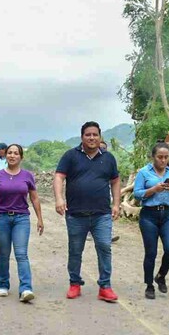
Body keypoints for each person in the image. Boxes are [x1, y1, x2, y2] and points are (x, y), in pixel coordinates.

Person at [53, 121, 121, 302]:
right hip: (76, 214)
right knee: (75, 250)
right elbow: (59, 176)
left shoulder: (108, 158)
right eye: (88, 135)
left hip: (102, 214)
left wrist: (116, 204)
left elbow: (115, 181)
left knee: (105, 248)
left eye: (95, 135)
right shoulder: (70, 156)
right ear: (82, 137)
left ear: (100, 137)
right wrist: (59, 198)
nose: (92, 138)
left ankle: (105, 286)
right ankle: (74, 283)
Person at [0, 144, 44, 303]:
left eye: (15, 153)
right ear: (5, 155)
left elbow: (35, 198)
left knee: (21, 253)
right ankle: (3, 284)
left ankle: (26, 288)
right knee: (4, 252)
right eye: (9, 153)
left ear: (21, 157)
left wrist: (40, 219)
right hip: (1, 218)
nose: (12, 156)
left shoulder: (27, 175)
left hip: (21, 218)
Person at [133, 142, 169, 299]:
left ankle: (161, 275)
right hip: (149, 215)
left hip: (167, 214)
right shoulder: (144, 172)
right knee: (151, 252)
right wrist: (154, 190)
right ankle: (149, 285)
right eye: (160, 157)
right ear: (153, 157)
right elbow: (137, 194)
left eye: (166, 157)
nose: (163, 160)